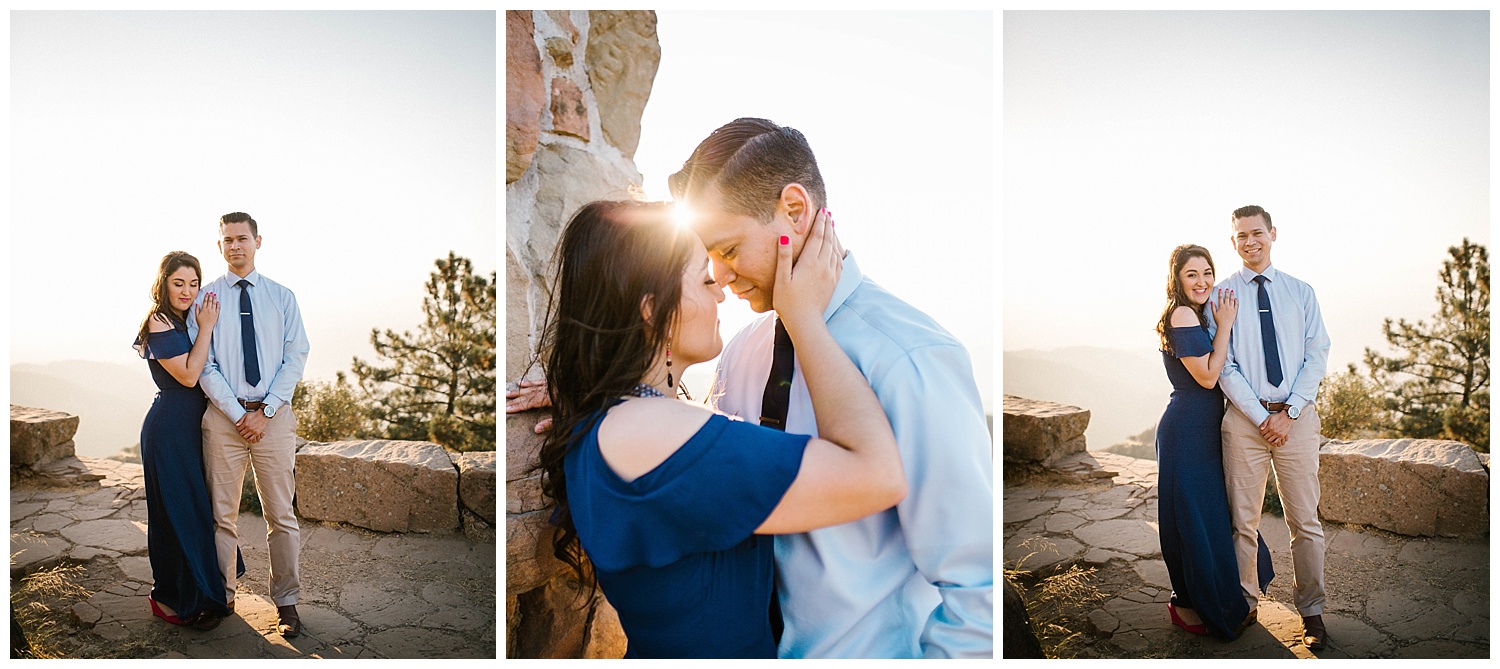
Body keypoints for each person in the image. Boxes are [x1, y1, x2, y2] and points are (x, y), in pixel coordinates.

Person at [668, 118, 993, 658]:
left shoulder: (910, 357)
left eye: (728, 248)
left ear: (793, 211)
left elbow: (976, 589)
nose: (719, 276)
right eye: (710, 256)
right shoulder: (742, 351)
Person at [536, 200, 905, 658]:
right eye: (706, 280)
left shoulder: (617, 422)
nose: (720, 294)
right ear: (652, 310)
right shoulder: (649, 432)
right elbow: (877, 475)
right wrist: (803, 318)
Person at [1215, 205, 1332, 650]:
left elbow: (1316, 353)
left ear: (1273, 234)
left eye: (1257, 233)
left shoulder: (1301, 292)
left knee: (1305, 520)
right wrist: (1263, 417)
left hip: (1297, 420)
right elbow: (1224, 365)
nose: (1250, 242)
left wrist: (1291, 412)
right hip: (1245, 423)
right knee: (1243, 521)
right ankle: (1246, 603)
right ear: (1233, 242)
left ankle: (1312, 612)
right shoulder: (1222, 295)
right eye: (1241, 236)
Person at [192, 211, 310, 638]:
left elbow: (295, 356)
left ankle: (287, 603)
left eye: (243, 238)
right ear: (219, 246)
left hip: (274, 419)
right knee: (221, 515)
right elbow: (205, 365)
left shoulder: (282, 297)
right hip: (224, 420)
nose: (235, 245)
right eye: (227, 240)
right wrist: (240, 415)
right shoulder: (205, 300)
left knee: (281, 514)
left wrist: (267, 411)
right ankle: (222, 596)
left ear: (258, 241)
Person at [1153, 244, 1273, 641]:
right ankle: (1186, 605)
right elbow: (1206, 376)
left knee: (1211, 517)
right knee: (1191, 520)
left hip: (1207, 429)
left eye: (1207, 272)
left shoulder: (1201, 312)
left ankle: (1211, 597)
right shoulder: (1183, 313)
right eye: (1192, 274)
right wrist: (1224, 325)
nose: (1202, 281)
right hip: (1185, 430)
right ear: (1178, 279)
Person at [134, 251, 231, 630]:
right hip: (169, 430)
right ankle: (170, 599)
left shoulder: (184, 318)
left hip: (193, 427)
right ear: (164, 283)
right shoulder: (158, 321)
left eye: (194, 283)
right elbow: (190, 376)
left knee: (196, 511)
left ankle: (204, 594)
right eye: (179, 283)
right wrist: (207, 326)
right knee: (174, 514)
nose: (187, 291)